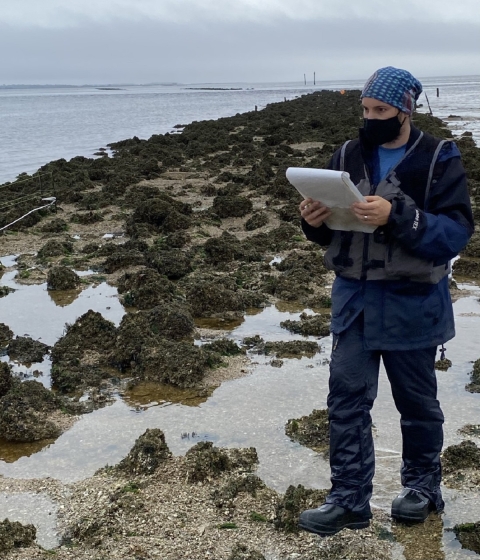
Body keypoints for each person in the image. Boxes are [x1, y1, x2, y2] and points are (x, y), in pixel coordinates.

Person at [297, 66, 474, 537]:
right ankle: (348, 498)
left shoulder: (438, 157)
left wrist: (398, 215)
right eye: (365, 109)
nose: (370, 118)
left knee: (417, 404)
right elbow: (331, 231)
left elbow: (456, 232)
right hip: (353, 300)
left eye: (381, 111)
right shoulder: (347, 154)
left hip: (412, 302)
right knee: (345, 402)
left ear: (405, 111)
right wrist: (313, 220)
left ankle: (421, 489)